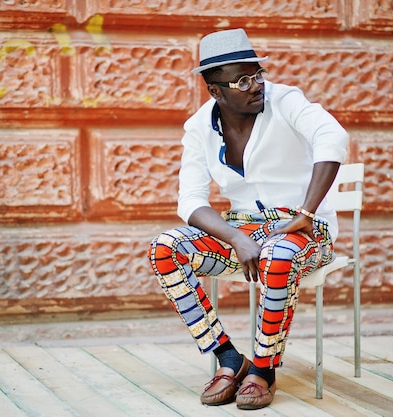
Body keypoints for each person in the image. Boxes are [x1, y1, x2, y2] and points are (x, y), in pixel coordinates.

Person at [148, 28, 348, 410]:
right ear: (216, 91)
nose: (256, 85)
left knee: (280, 254)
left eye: (257, 74)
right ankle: (227, 358)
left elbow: (331, 136)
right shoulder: (198, 128)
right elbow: (189, 200)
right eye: (242, 80)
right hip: (243, 232)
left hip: (303, 229)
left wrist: (307, 212)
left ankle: (263, 370)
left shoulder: (285, 100)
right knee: (165, 248)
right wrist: (236, 238)